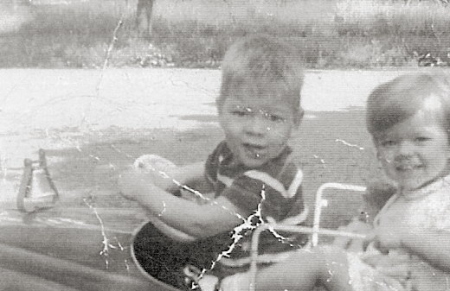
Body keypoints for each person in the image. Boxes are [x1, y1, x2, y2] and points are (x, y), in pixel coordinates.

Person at [222, 71, 450, 291]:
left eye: (421, 139)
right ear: (378, 150)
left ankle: (230, 287)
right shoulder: (407, 193)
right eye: (389, 142)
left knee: (324, 261)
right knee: (328, 254)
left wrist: (406, 236)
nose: (404, 151)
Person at [118, 34, 308, 290]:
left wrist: (142, 190)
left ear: (295, 122)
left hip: (265, 281)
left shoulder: (269, 179)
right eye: (241, 113)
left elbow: (201, 222)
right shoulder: (231, 153)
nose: (255, 129)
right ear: (220, 109)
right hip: (238, 266)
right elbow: (207, 172)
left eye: (273, 118)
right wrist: (168, 178)